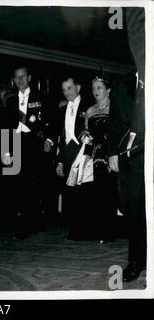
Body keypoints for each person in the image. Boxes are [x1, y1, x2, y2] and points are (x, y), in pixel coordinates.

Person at [108, 7, 146, 282]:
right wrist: (113, 153)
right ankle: (136, 261)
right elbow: (114, 124)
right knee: (134, 211)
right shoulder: (123, 87)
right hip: (132, 160)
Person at [1, 66, 50, 238]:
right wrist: (5, 151)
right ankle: (20, 226)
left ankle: (34, 222)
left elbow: (51, 122)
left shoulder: (41, 98)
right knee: (16, 187)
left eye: (23, 77)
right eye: (16, 77)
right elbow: (5, 127)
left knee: (34, 186)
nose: (20, 80)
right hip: (14, 144)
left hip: (33, 146)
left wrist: (49, 140)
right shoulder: (9, 101)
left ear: (29, 77)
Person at [48, 75, 90, 240]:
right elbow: (61, 137)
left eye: (69, 88)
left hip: (83, 152)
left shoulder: (88, 106)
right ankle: (75, 229)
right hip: (67, 154)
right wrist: (60, 160)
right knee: (70, 193)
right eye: (64, 89)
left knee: (82, 192)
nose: (67, 93)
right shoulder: (62, 110)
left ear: (78, 88)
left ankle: (83, 229)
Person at [78, 75, 118, 242]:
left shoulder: (115, 108)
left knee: (110, 191)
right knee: (95, 192)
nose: (95, 91)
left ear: (108, 90)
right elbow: (84, 131)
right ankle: (97, 230)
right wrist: (84, 136)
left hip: (111, 153)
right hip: (94, 154)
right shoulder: (90, 110)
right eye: (94, 88)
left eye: (99, 87)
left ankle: (109, 231)